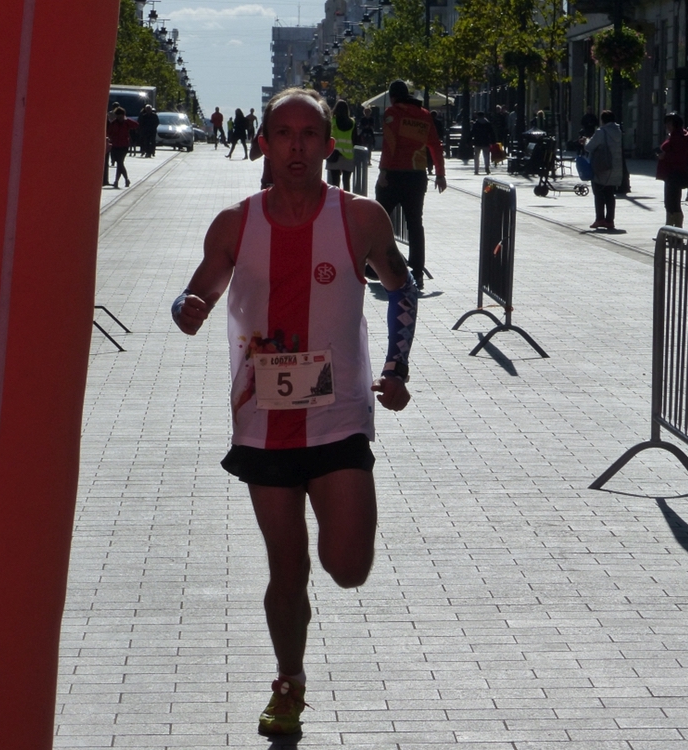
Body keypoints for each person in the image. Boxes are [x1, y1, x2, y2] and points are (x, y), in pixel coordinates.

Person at [171, 87, 417, 736]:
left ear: (329, 145)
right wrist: (185, 310)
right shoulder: (235, 224)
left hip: (339, 418)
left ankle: (296, 664)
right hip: (263, 423)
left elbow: (403, 287)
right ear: (264, 144)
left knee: (348, 567)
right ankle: (289, 682)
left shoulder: (360, 219)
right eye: (284, 133)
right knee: (288, 567)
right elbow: (194, 297)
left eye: (310, 134)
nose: (297, 146)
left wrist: (397, 367)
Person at [374, 79, 447, 291]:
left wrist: (383, 172)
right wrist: (440, 174)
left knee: (379, 220)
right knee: (415, 224)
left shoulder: (392, 113)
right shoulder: (424, 115)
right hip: (416, 176)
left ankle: (377, 266)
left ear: (392, 97)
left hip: (394, 175)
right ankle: (417, 273)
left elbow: (389, 144)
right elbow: (435, 145)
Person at [581, 109, 623, 230]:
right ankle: (610, 220)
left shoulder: (601, 131)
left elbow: (589, 147)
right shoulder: (618, 131)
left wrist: (585, 141)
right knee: (610, 194)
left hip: (601, 166)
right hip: (615, 166)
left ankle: (600, 219)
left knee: (599, 192)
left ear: (603, 120)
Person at [656, 112, 688, 227]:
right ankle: (672, 228)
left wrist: (664, 156)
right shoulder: (680, 135)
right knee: (672, 202)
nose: (667, 126)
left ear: (675, 124)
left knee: (671, 203)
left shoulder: (677, 137)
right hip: (675, 173)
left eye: (669, 123)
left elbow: (679, 155)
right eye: (666, 123)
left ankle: (674, 229)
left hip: (674, 173)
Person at [106, 106, 138, 189]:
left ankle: (116, 181)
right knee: (120, 163)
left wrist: (127, 120)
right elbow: (109, 132)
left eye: (121, 116)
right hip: (115, 145)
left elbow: (136, 125)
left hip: (124, 145)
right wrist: (110, 138)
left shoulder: (126, 122)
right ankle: (126, 180)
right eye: (118, 116)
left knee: (120, 162)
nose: (119, 117)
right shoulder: (114, 123)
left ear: (123, 115)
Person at [327, 99, 356, 190]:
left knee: (335, 183)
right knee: (346, 182)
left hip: (335, 154)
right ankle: (346, 197)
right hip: (348, 155)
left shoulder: (332, 121)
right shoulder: (352, 122)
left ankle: (336, 198)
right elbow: (355, 139)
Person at [469, 111, 495, 176]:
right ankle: (487, 167)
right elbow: (492, 133)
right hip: (486, 142)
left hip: (477, 142)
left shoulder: (476, 124)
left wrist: (468, 141)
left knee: (476, 157)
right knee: (486, 156)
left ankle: (476, 169)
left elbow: (472, 133)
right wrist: (493, 141)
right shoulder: (487, 123)